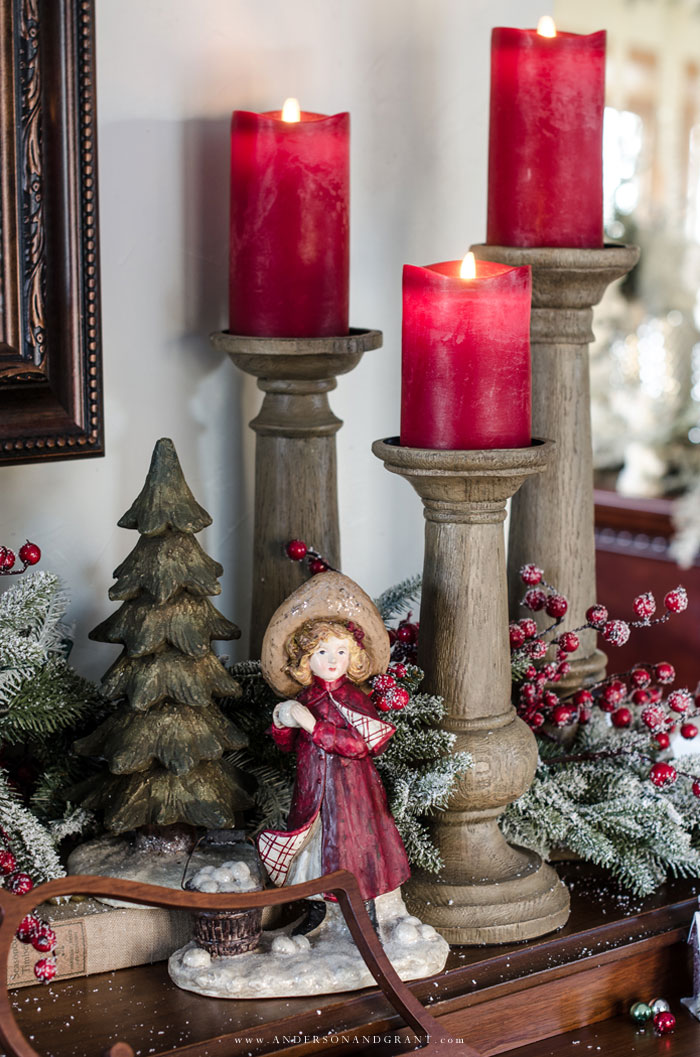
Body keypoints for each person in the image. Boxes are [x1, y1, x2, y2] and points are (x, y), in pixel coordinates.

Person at [258, 610, 410, 931]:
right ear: (306, 659)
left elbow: (360, 745)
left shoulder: (354, 698)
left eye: (341, 652)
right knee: (312, 853)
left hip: (351, 795)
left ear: (352, 658)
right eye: (322, 652)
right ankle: (318, 914)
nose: (332, 660)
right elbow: (286, 746)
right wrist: (283, 722)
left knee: (353, 848)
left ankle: (363, 916)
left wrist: (312, 725)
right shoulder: (306, 698)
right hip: (312, 792)